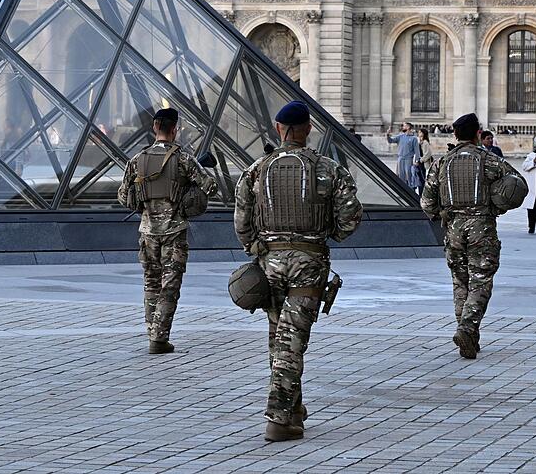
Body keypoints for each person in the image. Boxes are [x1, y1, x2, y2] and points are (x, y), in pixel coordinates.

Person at [234, 101, 362, 442]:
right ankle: (278, 419)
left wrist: (257, 250)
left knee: (280, 339)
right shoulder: (329, 168)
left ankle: (293, 408)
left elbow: (242, 222)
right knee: (292, 341)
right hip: (309, 264)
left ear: (278, 129)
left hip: (270, 264)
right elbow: (350, 218)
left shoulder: (256, 170)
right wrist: (327, 234)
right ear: (307, 129)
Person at [421, 113, 523, 360]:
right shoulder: (489, 160)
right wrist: (497, 203)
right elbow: (517, 184)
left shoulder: (441, 163)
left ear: (455, 135)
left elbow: (426, 203)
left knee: (460, 282)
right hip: (482, 227)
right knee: (481, 281)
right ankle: (467, 328)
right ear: (478, 133)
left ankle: (468, 334)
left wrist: (442, 214)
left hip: (453, 228)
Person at [117, 108, 217, 355]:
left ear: (154, 128)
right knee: (169, 286)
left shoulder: (137, 160)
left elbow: (122, 196)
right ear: (175, 130)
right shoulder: (183, 159)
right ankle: (159, 338)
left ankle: (152, 330)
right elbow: (211, 187)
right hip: (174, 231)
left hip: (147, 232)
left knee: (151, 283)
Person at [386, 122, 421, 186]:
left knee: (409, 175)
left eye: (404, 126)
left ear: (408, 127)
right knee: (400, 175)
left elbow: (417, 151)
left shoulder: (414, 138)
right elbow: (390, 141)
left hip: (409, 159)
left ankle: (410, 189)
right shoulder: (400, 136)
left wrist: (417, 160)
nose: (402, 127)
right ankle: (401, 189)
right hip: (400, 158)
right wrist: (388, 135)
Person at [416, 128, 433, 196]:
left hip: (423, 164)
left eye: (420, 132)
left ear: (423, 133)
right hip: (420, 163)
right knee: (420, 179)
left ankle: (423, 194)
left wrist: (421, 160)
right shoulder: (421, 142)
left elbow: (428, 153)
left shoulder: (425, 142)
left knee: (422, 179)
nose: (418, 133)